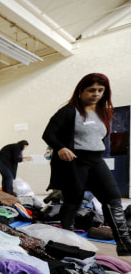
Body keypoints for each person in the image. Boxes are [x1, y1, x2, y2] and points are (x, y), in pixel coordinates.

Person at [42, 72, 131, 256]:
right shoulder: (69, 111)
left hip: (96, 159)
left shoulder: (102, 112)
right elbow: (49, 134)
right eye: (91, 90)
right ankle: (67, 239)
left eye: (100, 90)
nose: (96, 94)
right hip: (75, 161)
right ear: (81, 90)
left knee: (113, 197)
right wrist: (60, 147)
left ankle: (124, 243)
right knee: (73, 200)